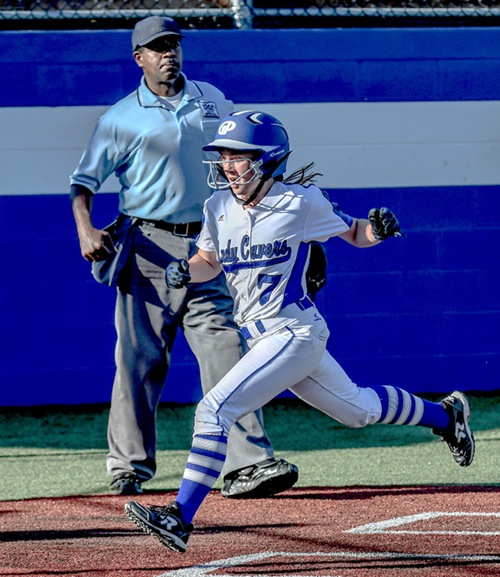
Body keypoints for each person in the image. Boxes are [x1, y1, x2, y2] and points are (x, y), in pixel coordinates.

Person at [124, 110, 475, 553]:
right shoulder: (218, 207)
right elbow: (208, 261)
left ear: (268, 159)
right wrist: (184, 270)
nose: (227, 166)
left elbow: (355, 232)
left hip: (293, 331)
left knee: (214, 410)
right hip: (265, 338)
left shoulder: (299, 201)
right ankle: (446, 416)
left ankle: (179, 516)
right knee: (359, 410)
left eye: (238, 156)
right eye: (223, 157)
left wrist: (379, 231)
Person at [69, 18, 300, 499]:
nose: (168, 54)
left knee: (226, 350)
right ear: (139, 58)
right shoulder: (120, 118)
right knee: (139, 359)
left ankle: (248, 463)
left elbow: (243, 158)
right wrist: (86, 228)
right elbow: (83, 183)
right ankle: (128, 466)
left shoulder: (211, 99)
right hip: (148, 247)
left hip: (207, 245)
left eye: (173, 44)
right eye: (157, 48)